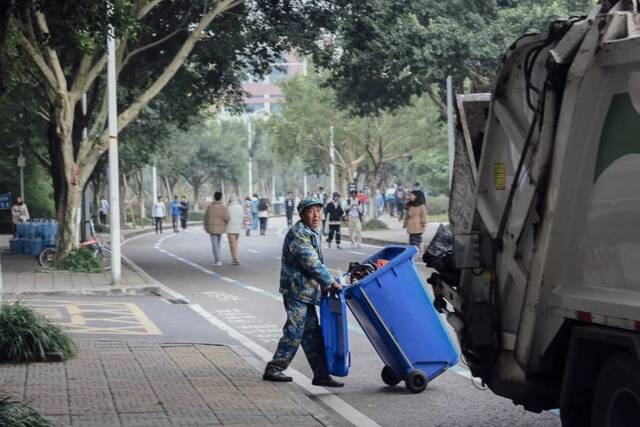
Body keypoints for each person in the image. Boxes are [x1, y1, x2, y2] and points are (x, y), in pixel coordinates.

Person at [263, 198, 343, 387]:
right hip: (295, 291)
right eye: (311, 211)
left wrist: (327, 283)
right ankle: (274, 368)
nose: (316, 215)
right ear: (301, 214)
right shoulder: (298, 234)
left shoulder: (312, 231)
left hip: (307, 292)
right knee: (295, 331)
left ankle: (321, 375)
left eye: (318, 211)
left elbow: (317, 262)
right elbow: (311, 262)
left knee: (312, 334)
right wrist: (330, 281)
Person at [203, 192, 229, 266]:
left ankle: (217, 260)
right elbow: (227, 218)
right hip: (221, 228)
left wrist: (205, 226)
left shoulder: (210, 207)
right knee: (217, 244)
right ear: (220, 198)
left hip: (212, 228)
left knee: (215, 244)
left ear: (214, 197)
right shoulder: (224, 207)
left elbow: (205, 217)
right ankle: (217, 259)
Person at [227, 194, 244, 265]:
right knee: (235, 244)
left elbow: (226, 217)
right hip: (238, 228)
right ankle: (234, 257)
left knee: (232, 244)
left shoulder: (228, 207)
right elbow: (242, 217)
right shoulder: (240, 207)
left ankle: (235, 258)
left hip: (230, 228)